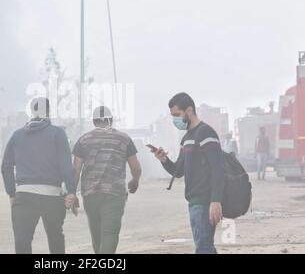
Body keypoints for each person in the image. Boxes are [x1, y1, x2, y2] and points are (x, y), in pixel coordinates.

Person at [152, 93, 225, 254]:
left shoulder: (206, 133)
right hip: (193, 202)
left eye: (177, 115)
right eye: (172, 116)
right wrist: (164, 159)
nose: (175, 120)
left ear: (189, 111)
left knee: (203, 247)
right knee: (205, 246)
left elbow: (218, 169)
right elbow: (178, 171)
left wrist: (216, 201)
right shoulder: (186, 138)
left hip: (204, 202)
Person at [1, 97, 76, 254]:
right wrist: (71, 191)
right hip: (52, 196)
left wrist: (12, 193)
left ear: (30, 112)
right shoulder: (58, 134)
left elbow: (6, 166)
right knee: (55, 237)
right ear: (49, 112)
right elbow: (66, 165)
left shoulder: (17, 135)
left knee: (22, 241)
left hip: (24, 195)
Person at [71, 106, 142, 254]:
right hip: (114, 195)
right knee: (110, 234)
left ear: (93, 121)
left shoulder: (84, 140)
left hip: (90, 194)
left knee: (97, 236)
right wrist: (134, 181)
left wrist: (72, 192)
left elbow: (76, 169)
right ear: (111, 120)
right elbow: (136, 167)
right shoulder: (124, 139)